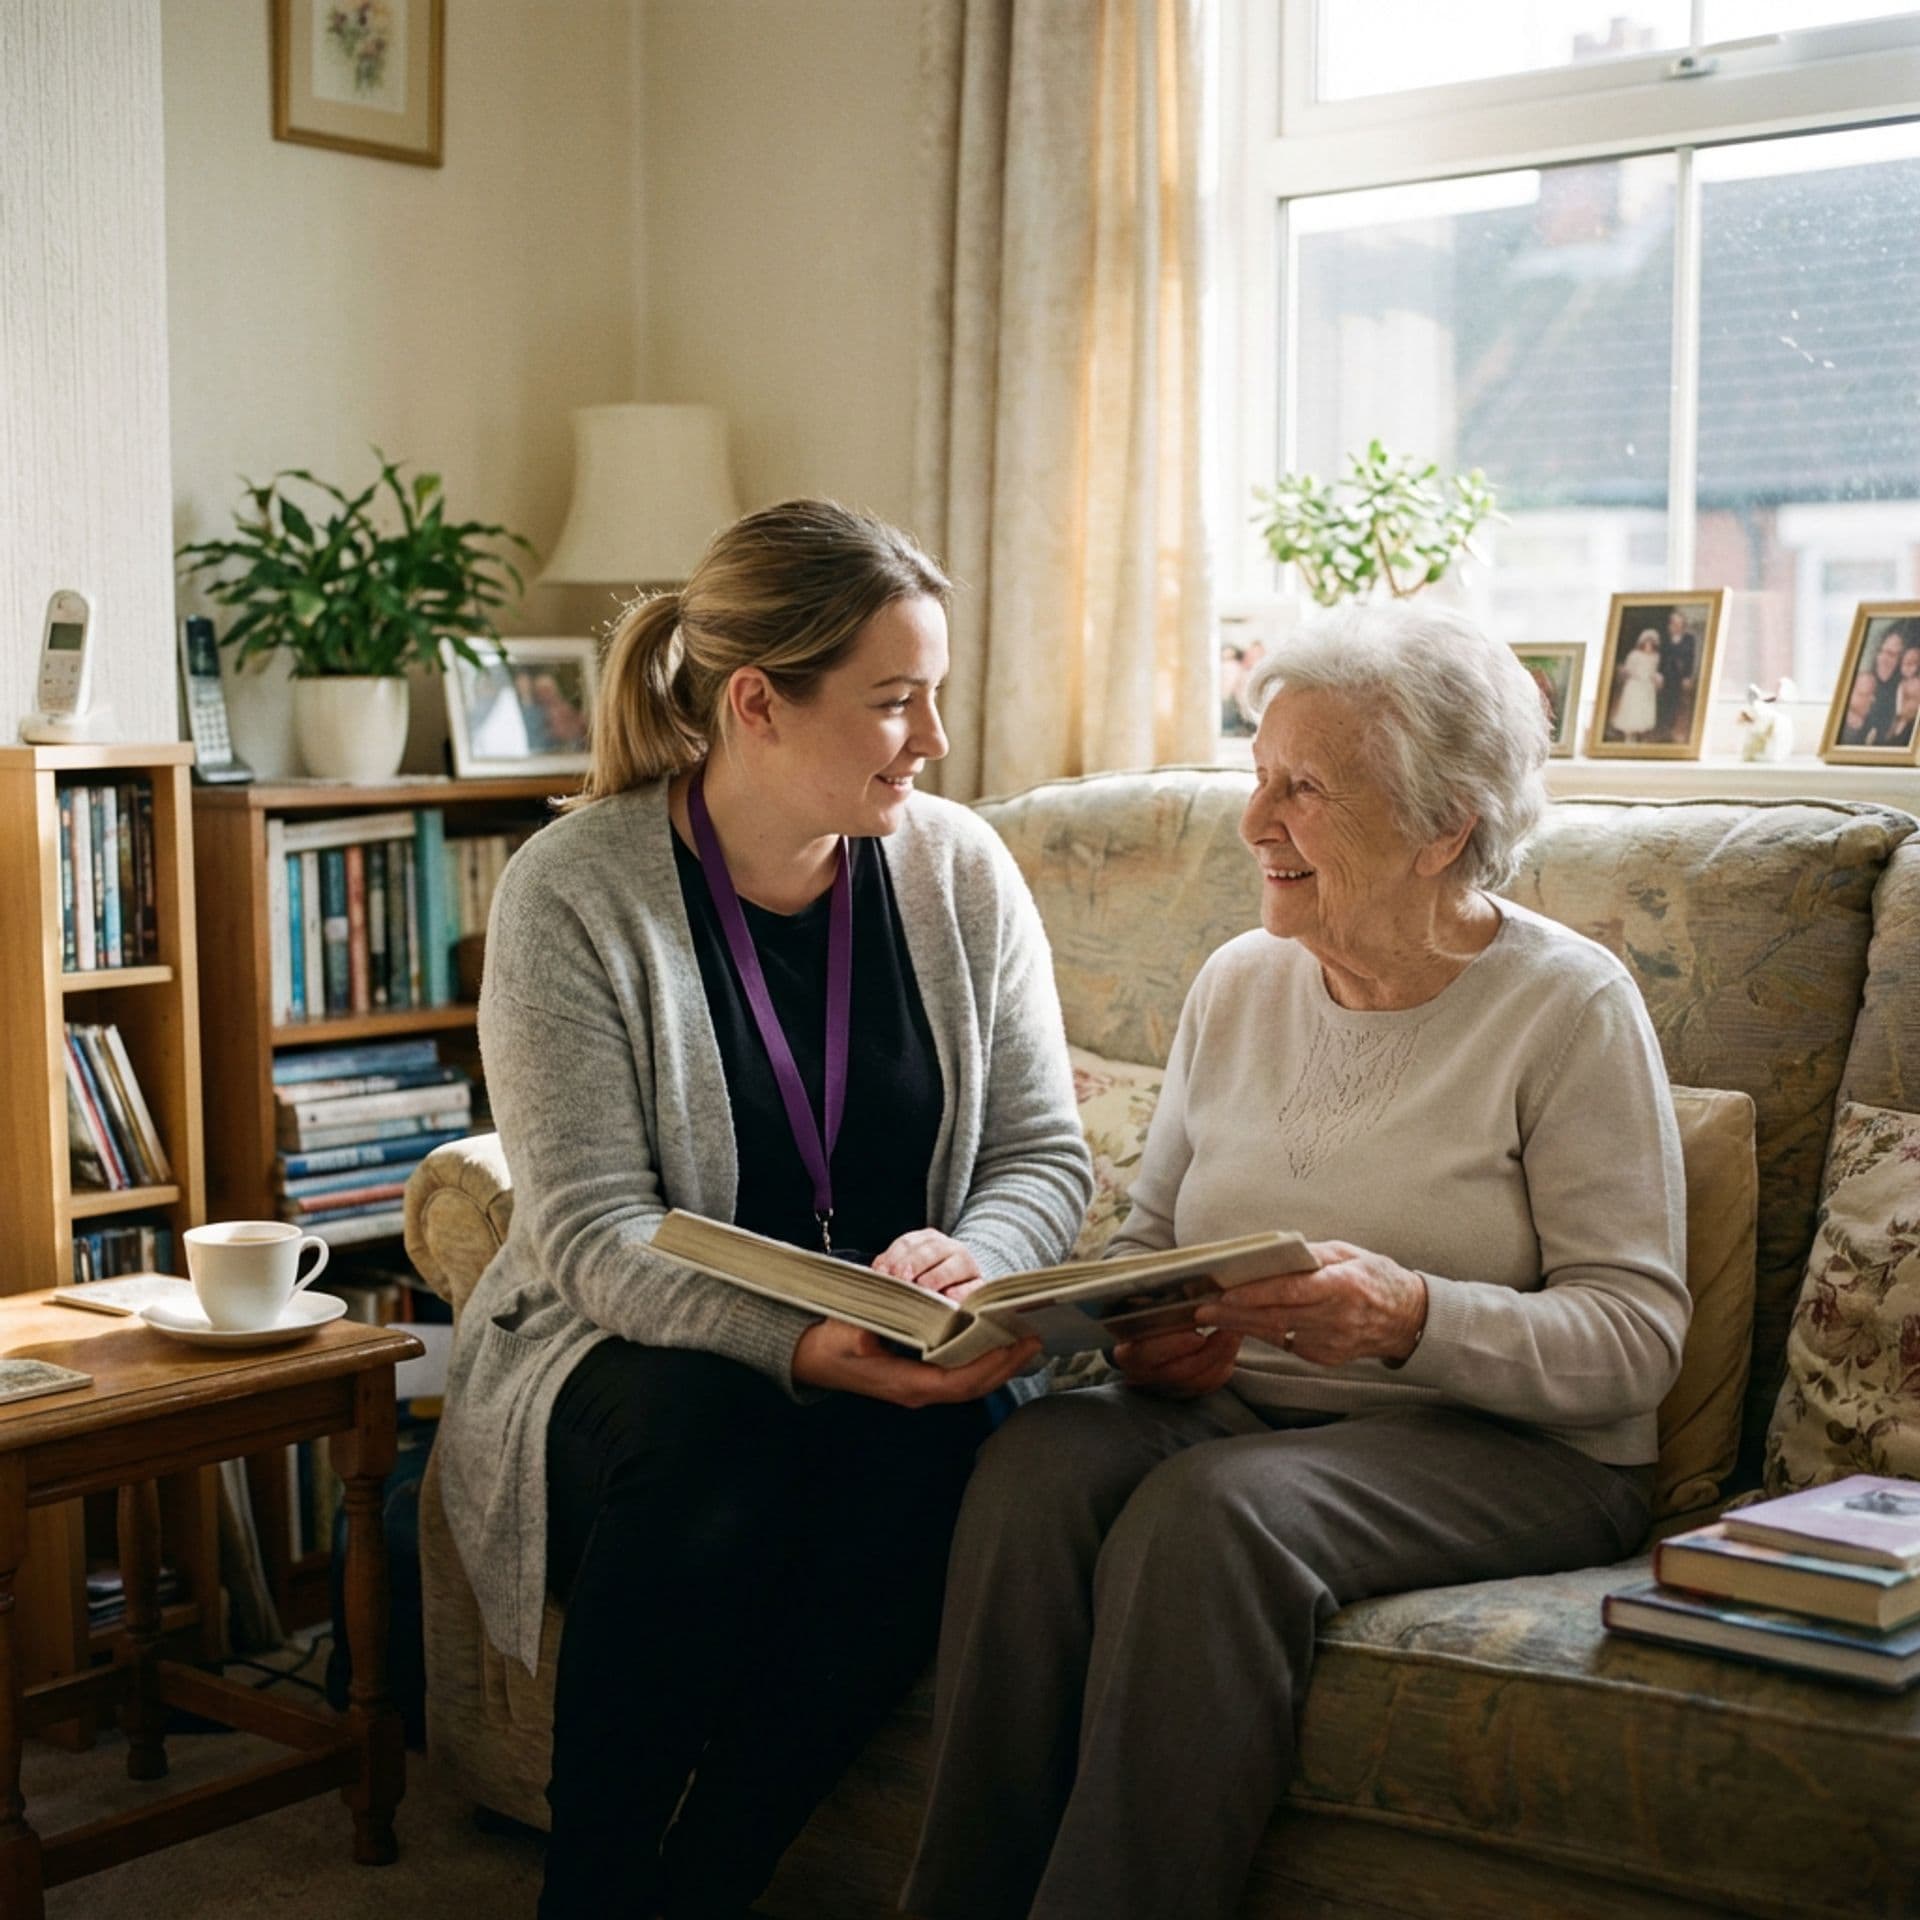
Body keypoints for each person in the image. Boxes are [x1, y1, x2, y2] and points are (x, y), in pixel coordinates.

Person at [904, 601, 1688, 1920]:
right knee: (1039, 1463)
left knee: (1214, 1516)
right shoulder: (1237, 984)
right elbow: (1156, 1244)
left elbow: (1635, 1340)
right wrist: (1146, 1335)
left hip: (1516, 1453)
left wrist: (1411, 1319)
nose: (1254, 820)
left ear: (1446, 826)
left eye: (1304, 788)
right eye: (1257, 775)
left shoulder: (1570, 1007)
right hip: (1250, 1408)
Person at [435, 499, 1094, 1920]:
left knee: (953, 1454)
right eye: (895, 703)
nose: (930, 740)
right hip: (619, 1353)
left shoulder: (958, 871)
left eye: (934, 699)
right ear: (758, 704)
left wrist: (975, 1254)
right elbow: (594, 1235)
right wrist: (802, 1348)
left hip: (900, 1338)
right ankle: (597, 1890)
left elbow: (1047, 1152)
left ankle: (706, 1884)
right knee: (712, 1447)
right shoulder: (575, 893)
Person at [1608, 628, 1662, 741]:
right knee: (1632, 708)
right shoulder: (1634, 654)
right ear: (1642, 643)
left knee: (1642, 710)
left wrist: (1656, 678)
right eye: (1647, 643)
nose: (1649, 645)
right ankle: (1628, 734)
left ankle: (1639, 733)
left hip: (1647, 687)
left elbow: (1653, 671)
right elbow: (1628, 669)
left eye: (1652, 643)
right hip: (1635, 685)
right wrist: (1636, 675)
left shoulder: (1655, 656)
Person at [1656, 604, 1699, 743]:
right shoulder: (1665, 638)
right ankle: (1662, 729)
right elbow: (1661, 657)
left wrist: (1687, 676)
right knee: (1663, 701)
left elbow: (1690, 658)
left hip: (1679, 676)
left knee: (1676, 701)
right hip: (1665, 674)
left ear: (1683, 624)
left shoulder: (1689, 639)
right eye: (1673, 623)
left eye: (1679, 623)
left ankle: (1673, 729)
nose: (1676, 626)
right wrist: (1659, 674)